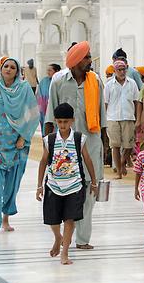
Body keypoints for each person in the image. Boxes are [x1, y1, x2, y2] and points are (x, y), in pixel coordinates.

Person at [45, 41, 106, 250]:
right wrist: (49, 149)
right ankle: (65, 236)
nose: (90, 61)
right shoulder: (59, 81)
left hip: (91, 143)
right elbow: (50, 116)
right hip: (66, 148)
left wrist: (103, 152)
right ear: (77, 61)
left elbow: (102, 118)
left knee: (90, 191)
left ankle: (82, 239)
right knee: (67, 191)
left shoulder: (95, 81)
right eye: (87, 57)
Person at [0, 57, 39, 233]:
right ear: (1, 68)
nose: (8, 69)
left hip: (17, 144)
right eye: (6, 66)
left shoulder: (24, 88)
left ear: (17, 71)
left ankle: (5, 218)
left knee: (12, 184)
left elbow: (33, 115)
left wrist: (23, 137)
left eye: (12, 67)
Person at [36, 102, 99, 265]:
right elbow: (43, 162)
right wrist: (39, 185)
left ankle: (65, 253)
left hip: (75, 185)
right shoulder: (49, 140)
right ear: (56, 121)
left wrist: (94, 181)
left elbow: (87, 160)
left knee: (70, 219)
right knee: (53, 219)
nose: (62, 125)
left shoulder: (79, 138)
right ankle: (58, 237)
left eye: (66, 122)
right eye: (59, 122)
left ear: (72, 121)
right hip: (53, 185)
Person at [104, 60, 142, 179]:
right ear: (114, 71)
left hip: (128, 117)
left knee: (128, 146)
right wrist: (104, 120)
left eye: (123, 69)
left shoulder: (132, 83)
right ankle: (119, 172)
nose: (122, 72)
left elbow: (137, 102)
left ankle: (121, 163)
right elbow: (105, 103)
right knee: (115, 145)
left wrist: (138, 119)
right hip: (112, 118)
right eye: (119, 70)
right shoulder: (109, 84)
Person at [37, 64, 60, 132]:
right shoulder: (44, 81)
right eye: (47, 70)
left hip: (57, 108)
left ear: (57, 71)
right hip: (44, 110)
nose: (48, 72)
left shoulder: (60, 81)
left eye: (50, 70)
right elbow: (39, 95)